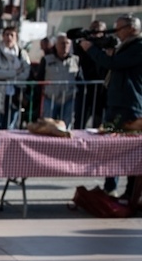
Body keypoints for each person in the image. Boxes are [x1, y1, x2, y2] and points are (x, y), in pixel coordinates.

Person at [80, 14, 142, 199]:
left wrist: (91, 49)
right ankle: (110, 187)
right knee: (111, 147)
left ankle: (132, 192)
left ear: (132, 28)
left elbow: (114, 64)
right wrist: (106, 52)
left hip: (130, 105)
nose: (116, 33)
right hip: (116, 102)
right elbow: (108, 67)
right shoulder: (124, 47)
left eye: (119, 28)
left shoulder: (138, 47)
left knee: (130, 150)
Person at [0, 27, 31, 130]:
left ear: (16, 37)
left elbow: (25, 73)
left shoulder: (22, 54)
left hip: (16, 94)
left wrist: (6, 76)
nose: (9, 37)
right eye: (7, 34)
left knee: (11, 124)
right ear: (3, 36)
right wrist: (15, 72)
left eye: (12, 35)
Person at [37, 32, 82, 128]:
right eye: (62, 43)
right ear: (56, 45)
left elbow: (80, 79)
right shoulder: (46, 59)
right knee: (47, 126)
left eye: (67, 43)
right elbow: (39, 79)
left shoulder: (76, 60)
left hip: (69, 99)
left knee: (66, 127)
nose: (64, 46)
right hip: (50, 98)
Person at [74, 20, 108, 129]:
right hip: (85, 89)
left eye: (98, 30)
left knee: (98, 123)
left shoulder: (107, 45)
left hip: (102, 91)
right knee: (80, 121)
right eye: (92, 29)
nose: (95, 32)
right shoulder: (84, 44)